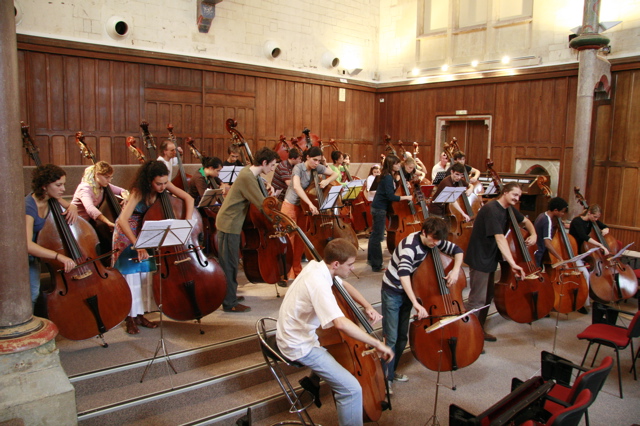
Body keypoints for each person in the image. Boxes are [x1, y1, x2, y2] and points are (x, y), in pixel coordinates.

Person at [276, 238, 393, 426]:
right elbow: (340, 323)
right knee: (352, 389)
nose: (353, 269)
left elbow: (344, 285)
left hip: (299, 334)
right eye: (350, 265)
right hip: (298, 345)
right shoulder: (318, 284)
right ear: (336, 263)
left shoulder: (318, 266)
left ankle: (314, 380)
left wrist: (367, 306)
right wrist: (377, 343)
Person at [381, 217, 462, 392]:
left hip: (410, 291)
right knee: (391, 337)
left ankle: (391, 372)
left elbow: (458, 250)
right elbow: (403, 276)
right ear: (424, 232)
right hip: (393, 291)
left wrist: (455, 270)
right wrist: (416, 304)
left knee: (402, 337)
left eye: (439, 240)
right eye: (433, 239)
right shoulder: (410, 247)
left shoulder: (435, 239)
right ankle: (383, 379)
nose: (436, 243)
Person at [113, 160, 194, 334]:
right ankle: (130, 318)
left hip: (146, 230)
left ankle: (141, 315)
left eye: (165, 183)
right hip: (128, 233)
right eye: (159, 183)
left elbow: (189, 198)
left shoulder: (164, 184)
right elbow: (122, 220)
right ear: (149, 180)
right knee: (131, 277)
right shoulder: (137, 191)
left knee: (145, 275)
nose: (163, 187)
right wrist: (137, 245)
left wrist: (186, 224)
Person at [464, 182, 535, 342]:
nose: (517, 198)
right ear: (505, 192)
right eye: (514, 195)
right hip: (480, 257)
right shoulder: (491, 209)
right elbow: (500, 238)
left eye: (519, 196)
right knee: (477, 300)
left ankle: (479, 331)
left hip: (491, 257)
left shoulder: (508, 209)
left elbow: (525, 221)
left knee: (488, 297)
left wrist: (534, 233)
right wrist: (513, 263)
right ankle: (467, 336)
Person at [216, 147, 280, 312]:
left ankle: (230, 295)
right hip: (229, 224)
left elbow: (259, 191)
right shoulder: (247, 177)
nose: (273, 169)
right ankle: (229, 303)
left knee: (232, 262)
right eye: (272, 165)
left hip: (233, 223)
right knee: (229, 263)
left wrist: (267, 185)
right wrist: (278, 220)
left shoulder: (249, 172)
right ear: (264, 162)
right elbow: (262, 205)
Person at [281, 146, 340, 278]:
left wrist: (326, 180)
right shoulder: (299, 168)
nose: (317, 163)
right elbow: (296, 187)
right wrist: (309, 203)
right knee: (288, 240)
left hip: (303, 208)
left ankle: (296, 270)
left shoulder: (316, 167)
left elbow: (335, 174)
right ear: (307, 157)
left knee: (300, 240)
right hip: (290, 205)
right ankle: (284, 272)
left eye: (319, 161)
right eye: (314, 160)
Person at [26, 164, 78, 309]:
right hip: (23, 256)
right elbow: (27, 245)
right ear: (44, 186)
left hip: (39, 254)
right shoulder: (28, 207)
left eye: (64, 184)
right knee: (32, 293)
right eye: (58, 185)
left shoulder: (52, 198)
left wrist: (72, 207)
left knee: (34, 292)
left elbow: (69, 206)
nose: (63, 189)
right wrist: (58, 256)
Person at [71, 161, 128, 258]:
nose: (109, 180)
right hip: (77, 223)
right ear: (97, 174)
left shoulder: (103, 185)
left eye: (110, 177)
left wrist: (126, 197)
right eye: (106, 177)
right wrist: (107, 222)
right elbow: (90, 209)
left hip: (90, 222)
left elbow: (122, 190)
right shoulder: (85, 188)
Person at [367, 155, 412, 273]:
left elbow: (390, 191)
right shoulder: (387, 177)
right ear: (391, 165)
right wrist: (407, 197)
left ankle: (371, 260)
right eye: (396, 164)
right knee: (378, 237)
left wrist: (401, 185)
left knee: (374, 236)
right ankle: (377, 265)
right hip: (380, 209)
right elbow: (391, 196)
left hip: (378, 207)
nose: (399, 165)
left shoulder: (388, 176)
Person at [533, 197, 569, 268]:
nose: (563, 214)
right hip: (539, 253)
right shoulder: (548, 221)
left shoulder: (542, 215)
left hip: (534, 251)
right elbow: (547, 243)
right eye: (562, 211)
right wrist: (560, 258)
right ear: (555, 210)